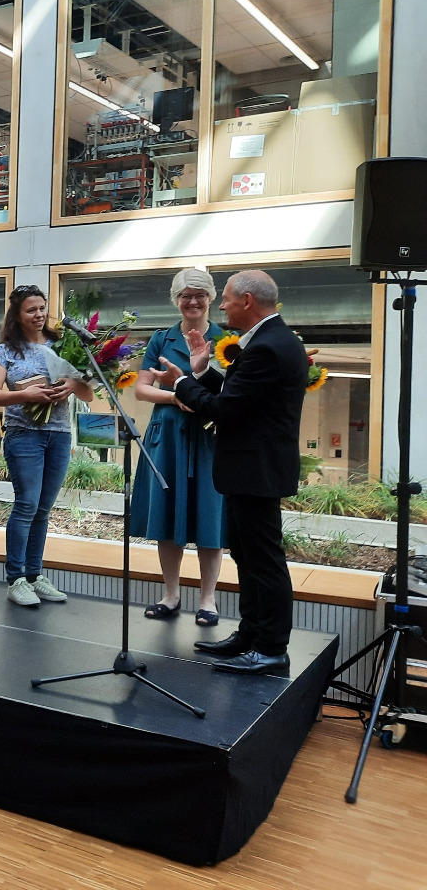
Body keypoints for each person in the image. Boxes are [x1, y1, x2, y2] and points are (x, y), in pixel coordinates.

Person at [154, 270, 307, 675]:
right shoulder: (265, 342)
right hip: (250, 470)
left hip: (256, 471)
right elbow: (239, 395)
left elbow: (226, 410)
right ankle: (251, 635)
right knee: (247, 555)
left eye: (226, 298)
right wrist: (203, 372)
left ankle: (271, 647)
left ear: (248, 302)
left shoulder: (268, 347)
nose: (221, 305)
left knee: (264, 561)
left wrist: (183, 380)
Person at [0, 285, 94, 606]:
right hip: (24, 435)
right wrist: (26, 395)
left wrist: (73, 384)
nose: (39, 314)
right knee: (27, 505)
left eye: (42, 308)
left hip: (59, 435)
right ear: (17, 315)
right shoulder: (4, 351)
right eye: (31, 309)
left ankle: (35, 575)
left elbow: (89, 394)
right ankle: (16, 578)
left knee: (43, 510)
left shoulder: (64, 345)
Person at [131, 269, 227, 626]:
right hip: (168, 436)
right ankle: (170, 595)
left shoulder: (227, 340)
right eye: (185, 295)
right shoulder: (161, 339)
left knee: (209, 516)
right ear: (175, 300)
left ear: (211, 298)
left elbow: (230, 388)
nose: (193, 302)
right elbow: (142, 389)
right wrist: (178, 397)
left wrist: (194, 396)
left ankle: (208, 600)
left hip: (209, 435)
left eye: (199, 294)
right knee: (166, 517)